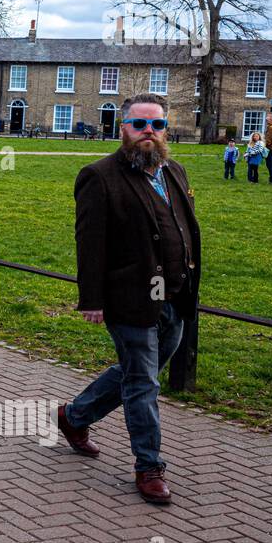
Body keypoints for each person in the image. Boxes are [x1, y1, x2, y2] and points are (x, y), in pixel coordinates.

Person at [56, 93, 200, 505]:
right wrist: (92, 299)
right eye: (139, 125)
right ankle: (149, 467)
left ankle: (74, 416)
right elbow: (90, 243)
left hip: (174, 296)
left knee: (141, 372)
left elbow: (183, 228)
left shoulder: (175, 170)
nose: (148, 133)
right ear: (123, 129)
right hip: (129, 298)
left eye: (156, 125)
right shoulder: (99, 176)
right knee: (143, 383)